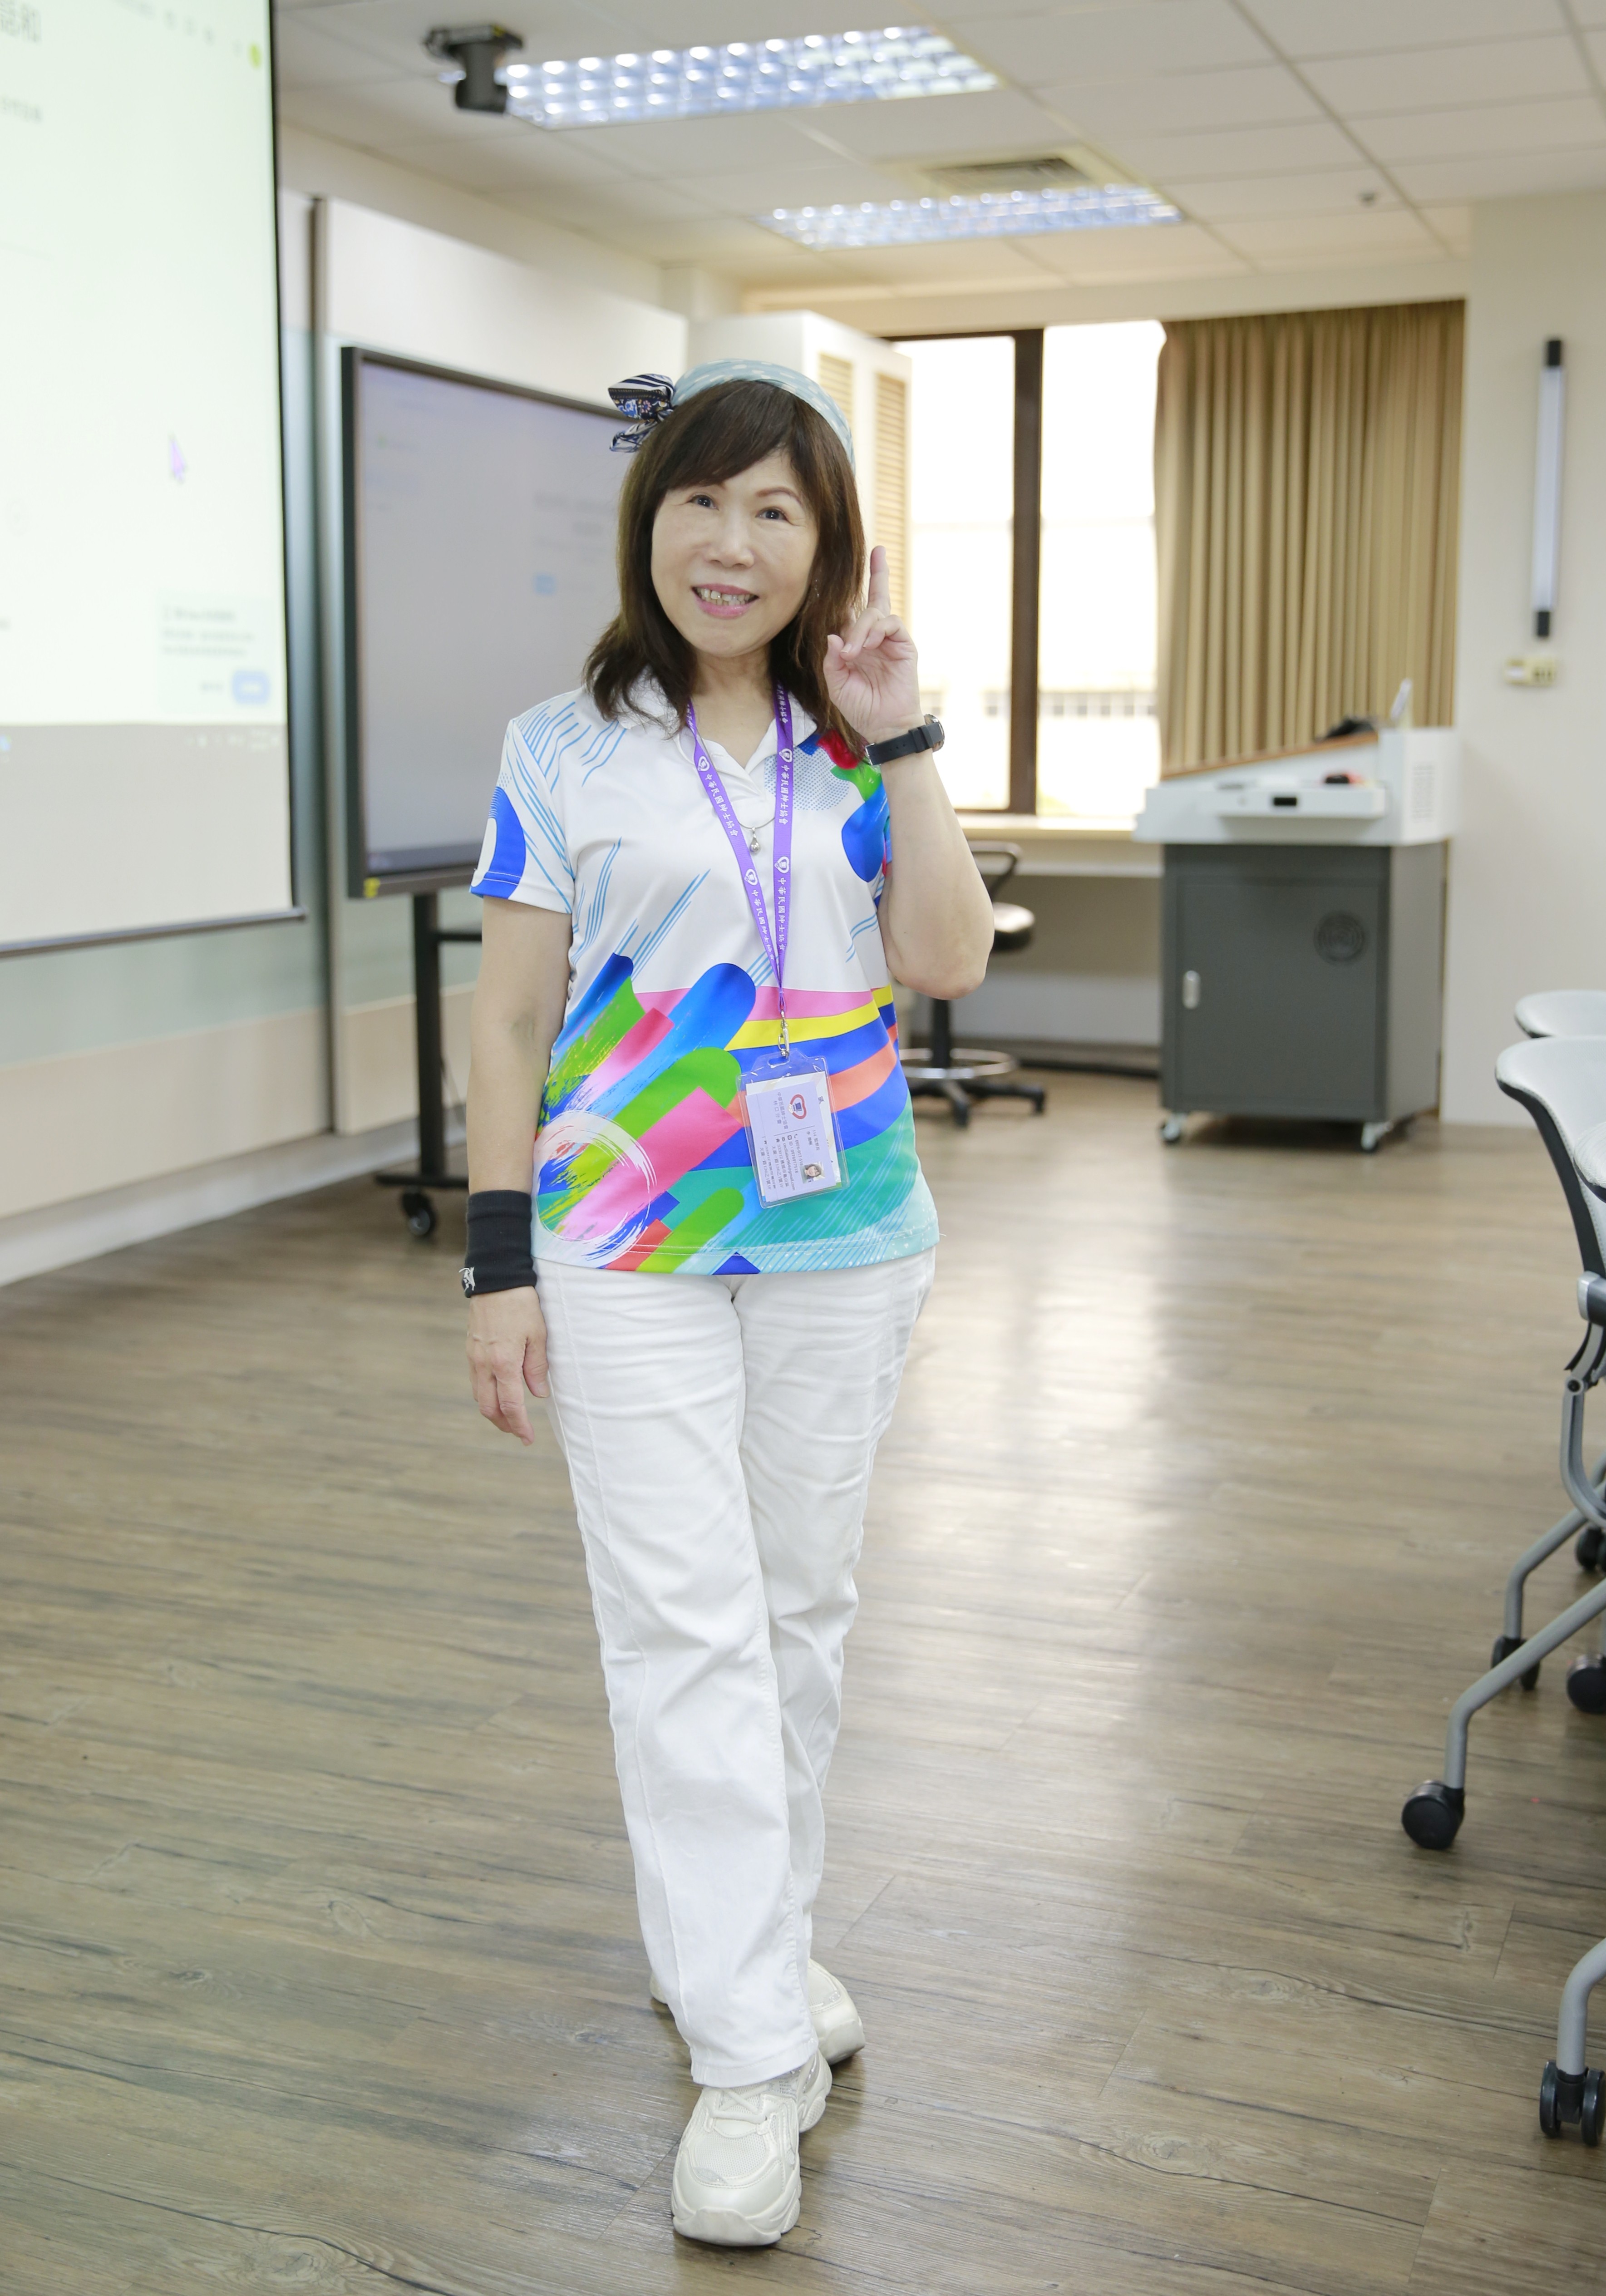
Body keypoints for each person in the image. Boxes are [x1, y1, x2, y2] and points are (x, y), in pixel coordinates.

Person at [460, 359, 992, 2248]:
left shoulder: (862, 737)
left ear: (822, 545)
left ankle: (753, 1947)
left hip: (846, 1236)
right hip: (621, 1240)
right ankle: (752, 2051)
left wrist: (907, 738)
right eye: (702, 499)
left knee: (796, 1612)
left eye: (776, 509)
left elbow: (945, 959)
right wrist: (496, 1261)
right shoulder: (562, 746)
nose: (732, 541)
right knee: (680, 1625)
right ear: (651, 521)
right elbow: (509, 1020)